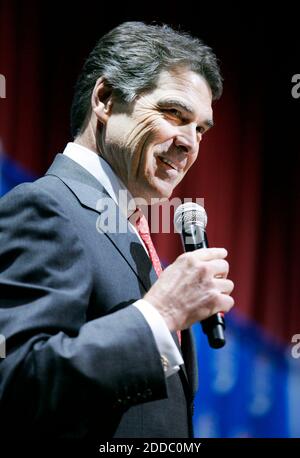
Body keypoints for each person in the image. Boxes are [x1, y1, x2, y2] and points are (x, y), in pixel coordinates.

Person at [0, 21, 234, 438]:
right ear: (105, 99)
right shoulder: (45, 207)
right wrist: (159, 316)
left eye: (200, 129)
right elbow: (15, 379)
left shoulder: (131, 231)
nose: (190, 143)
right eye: (174, 114)